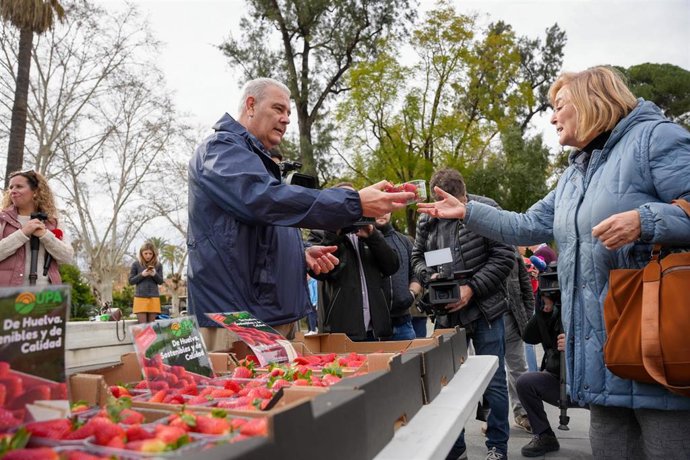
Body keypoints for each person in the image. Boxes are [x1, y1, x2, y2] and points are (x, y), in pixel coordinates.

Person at [417, 66, 690, 458]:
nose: (552, 116)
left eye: (559, 106)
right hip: (604, 357)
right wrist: (467, 212)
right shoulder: (574, 173)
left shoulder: (655, 138)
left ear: (592, 102)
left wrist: (646, 221)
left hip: (656, 347)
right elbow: (528, 224)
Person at [187, 77, 413, 348]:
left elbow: (259, 228)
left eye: (289, 113)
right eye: (278, 109)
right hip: (237, 319)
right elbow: (265, 200)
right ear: (250, 105)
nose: (286, 120)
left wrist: (300, 253)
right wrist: (354, 203)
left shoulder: (256, 160)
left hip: (273, 314)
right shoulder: (220, 150)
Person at [411, 168, 515, 460]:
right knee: (444, 382)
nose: (443, 210)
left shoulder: (487, 210)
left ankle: (497, 448)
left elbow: (505, 256)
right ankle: (455, 450)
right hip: (445, 313)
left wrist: (471, 288)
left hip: (485, 311)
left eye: (450, 202)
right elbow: (417, 257)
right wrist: (428, 275)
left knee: (493, 381)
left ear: (462, 195)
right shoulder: (426, 219)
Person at [308, 184, 400, 340]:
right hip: (340, 332)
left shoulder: (369, 231)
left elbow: (392, 266)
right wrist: (334, 232)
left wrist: (372, 236)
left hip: (376, 330)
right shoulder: (320, 232)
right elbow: (320, 271)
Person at [516, 285, 572, 457]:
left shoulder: (586, 302)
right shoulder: (552, 313)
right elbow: (529, 337)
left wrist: (572, 343)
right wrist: (545, 310)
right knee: (525, 383)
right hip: (558, 378)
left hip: (592, 384)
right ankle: (544, 434)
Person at [0, 170, 73, 285]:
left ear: (35, 192)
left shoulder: (52, 222)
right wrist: (22, 233)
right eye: (11, 187)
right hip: (8, 296)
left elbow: (67, 257)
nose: (13, 191)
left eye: (19, 186)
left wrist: (45, 235)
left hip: (45, 296)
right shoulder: (2, 220)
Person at [375, 212, 423, 341]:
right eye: (377, 209)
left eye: (386, 209)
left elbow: (416, 272)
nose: (382, 213)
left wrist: (412, 293)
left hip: (403, 323)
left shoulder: (404, 240)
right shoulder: (360, 241)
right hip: (372, 327)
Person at [129, 241, 164, 324]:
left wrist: (154, 274)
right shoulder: (136, 264)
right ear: (141, 253)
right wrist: (142, 274)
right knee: (143, 326)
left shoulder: (158, 265)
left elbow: (160, 282)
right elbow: (131, 281)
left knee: (151, 326)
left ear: (154, 254)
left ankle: (152, 338)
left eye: (150, 253)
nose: (148, 256)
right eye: (146, 253)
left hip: (154, 298)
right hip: (140, 298)